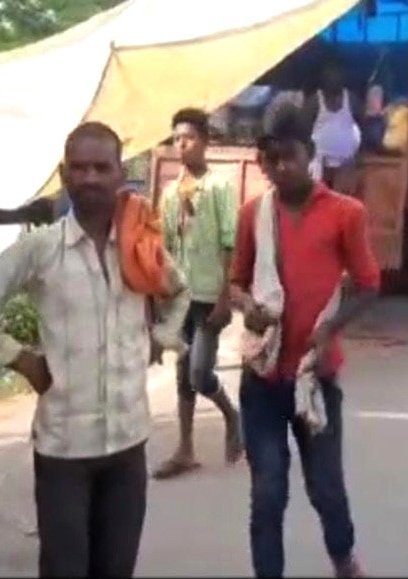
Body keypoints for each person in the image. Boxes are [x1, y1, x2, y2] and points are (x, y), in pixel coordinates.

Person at [0, 122, 190, 578]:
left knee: (116, 569)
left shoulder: (139, 244)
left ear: (120, 175)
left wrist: (161, 338)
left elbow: (180, 292)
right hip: (64, 453)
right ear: (64, 174)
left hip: (128, 444)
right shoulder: (41, 249)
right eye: (79, 167)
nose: (90, 177)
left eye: (101, 167)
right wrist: (21, 359)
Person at [230, 110, 379, 578]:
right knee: (268, 492)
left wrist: (330, 329)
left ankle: (343, 559)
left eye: (290, 157)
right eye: (271, 160)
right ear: (264, 164)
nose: (282, 168)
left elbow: (369, 284)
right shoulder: (253, 215)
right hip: (263, 377)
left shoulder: (345, 213)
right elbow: (235, 283)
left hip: (315, 376)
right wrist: (246, 308)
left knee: (325, 487)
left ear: (310, 155)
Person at [153, 107, 244, 480]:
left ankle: (231, 413)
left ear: (205, 141)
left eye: (188, 137)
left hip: (210, 294)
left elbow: (230, 242)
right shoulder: (171, 192)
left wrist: (226, 296)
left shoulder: (220, 186)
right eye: (176, 138)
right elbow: (166, 248)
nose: (181, 144)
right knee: (181, 373)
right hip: (181, 296)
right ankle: (185, 448)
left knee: (200, 372)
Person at [302, 58, 363, 195]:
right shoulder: (314, 101)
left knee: (341, 207)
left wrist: (359, 154)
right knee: (318, 204)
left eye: (337, 73)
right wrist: (309, 155)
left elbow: (364, 127)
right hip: (320, 165)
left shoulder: (352, 99)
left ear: (344, 76)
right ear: (322, 77)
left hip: (345, 165)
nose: (334, 78)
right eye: (329, 74)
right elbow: (302, 131)